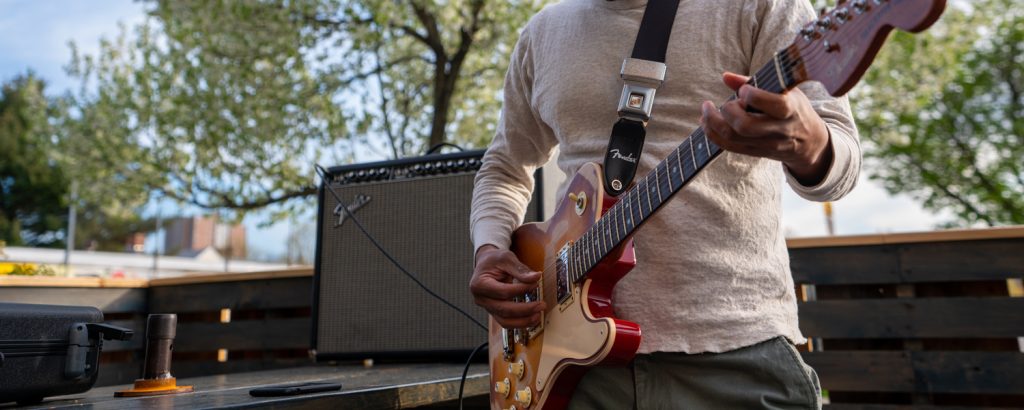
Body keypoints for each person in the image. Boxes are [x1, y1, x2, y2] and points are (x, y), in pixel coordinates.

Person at [469, 0, 860, 407]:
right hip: (574, 369)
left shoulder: (761, 5)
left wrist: (810, 142)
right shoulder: (542, 32)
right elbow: (503, 167)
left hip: (736, 354)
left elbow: (843, 164)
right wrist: (490, 248)